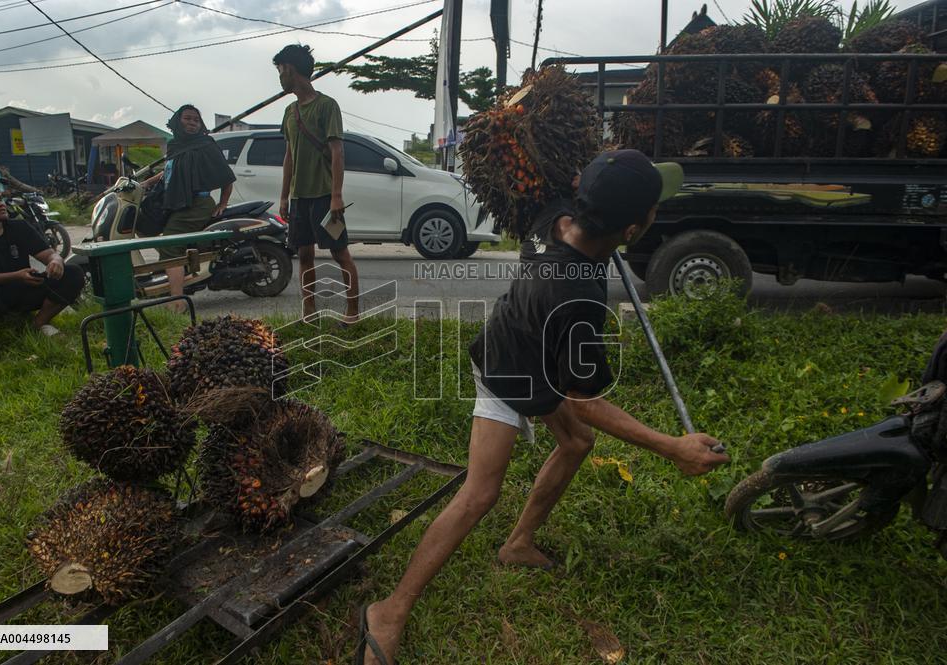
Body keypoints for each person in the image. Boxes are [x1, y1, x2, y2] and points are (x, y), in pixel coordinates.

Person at [355, 150, 731, 664]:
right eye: (652, 209)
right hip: (507, 367)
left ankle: (518, 545)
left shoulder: (553, 216)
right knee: (479, 494)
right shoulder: (578, 298)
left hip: (534, 343)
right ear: (632, 229)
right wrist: (673, 447)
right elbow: (587, 402)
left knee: (575, 441)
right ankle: (390, 611)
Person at [0, 182, 84, 364]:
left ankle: (39, 323)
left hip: (25, 290)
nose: (1, 204)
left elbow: (48, 254)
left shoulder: (19, 227)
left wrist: (55, 261)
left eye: (0, 199)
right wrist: (15, 276)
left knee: (73, 272)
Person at [273, 44, 359, 322]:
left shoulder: (326, 106)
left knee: (340, 253)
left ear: (290, 69)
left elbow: (337, 152)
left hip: (324, 198)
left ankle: (352, 313)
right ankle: (309, 312)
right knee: (304, 254)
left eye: (280, 70)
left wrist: (336, 196)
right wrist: (284, 197)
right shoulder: (289, 111)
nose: (279, 77)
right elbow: (289, 156)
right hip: (299, 199)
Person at [141, 105, 235, 311]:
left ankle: (177, 302)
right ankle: (177, 271)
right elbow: (170, 170)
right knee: (149, 229)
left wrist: (223, 203)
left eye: (196, 120)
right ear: (178, 121)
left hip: (197, 205)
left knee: (169, 244)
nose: (192, 123)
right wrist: (146, 183)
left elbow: (226, 176)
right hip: (177, 203)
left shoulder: (205, 145)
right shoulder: (175, 145)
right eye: (187, 118)